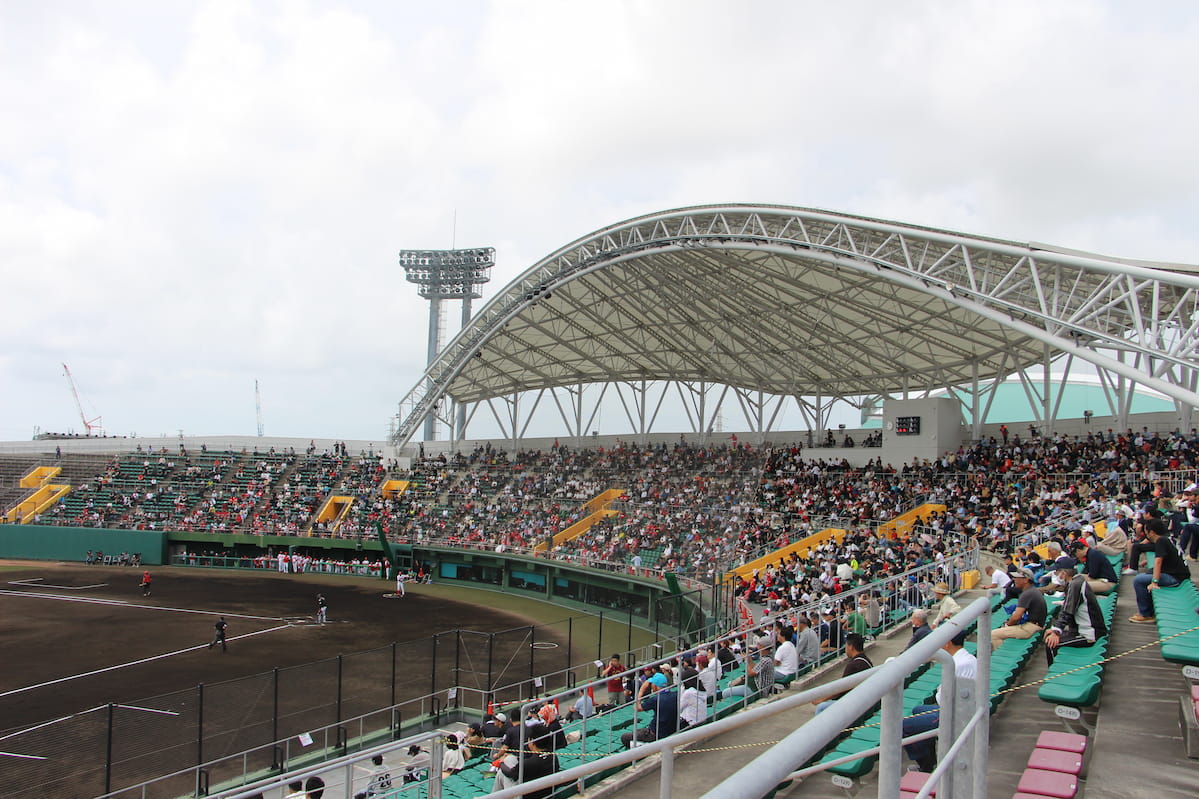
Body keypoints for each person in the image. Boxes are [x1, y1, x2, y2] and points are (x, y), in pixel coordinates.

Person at [902, 630, 977, 773]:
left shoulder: (957, 664)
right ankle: (930, 759)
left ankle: (926, 766)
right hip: (959, 708)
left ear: (947, 643)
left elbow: (943, 699)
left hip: (955, 714)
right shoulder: (967, 658)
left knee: (904, 726)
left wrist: (939, 692)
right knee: (917, 710)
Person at [1044, 556, 1107, 666]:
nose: (1055, 575)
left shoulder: (1075, 584)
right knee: (1050, 637)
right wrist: (1055, 629)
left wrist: (1056, 632)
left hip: (1089, 634)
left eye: (1056, 572)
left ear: (1063, 573)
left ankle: (1056, 673)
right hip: (1082, 630)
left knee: (1051, 645)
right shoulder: (1077, 581)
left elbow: (1067, 612)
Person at [1130, 518, 1192, 623]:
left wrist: (1154, 582)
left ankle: (1146, 614)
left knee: (1138, 580)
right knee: (1148, 573)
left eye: (1146, 531)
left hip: (1176, 578)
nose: (1146, 534)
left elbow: (1158, 561)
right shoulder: (1166, 538)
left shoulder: (1161, 541)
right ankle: (1149, 610)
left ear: (1152, 532)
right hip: (1176, 574)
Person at [813, 633, 873, 713]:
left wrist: (821, 700)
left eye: (846, 646)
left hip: (858, 703)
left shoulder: (854, 665)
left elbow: (842, 689)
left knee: (821, 707)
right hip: (866, 699)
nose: (845, 649)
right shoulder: (865, 660)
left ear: (851, 647)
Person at [991, 568, 1047, 650]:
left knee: (993, 634)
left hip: (1031, 628)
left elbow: (1016, 617)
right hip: (1035, 625)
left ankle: (1002, 654)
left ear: (1026, 580)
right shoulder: (1032, 591)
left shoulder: (1027, 593)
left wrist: (1007, 625)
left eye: (1017, 577)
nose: (1014, 579)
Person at [499, 723, 559, 799]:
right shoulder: (553, 757)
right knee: (507, 763)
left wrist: (501, 763)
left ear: (532, 741)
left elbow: (511, 774)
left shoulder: (529, 763)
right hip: (547, 793)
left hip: (528, 795)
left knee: (501, 773)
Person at [620, 675, 679, 747]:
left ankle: (643, 748)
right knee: (637, 731)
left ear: (655, 686)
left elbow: (636, 708)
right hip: (672, 729)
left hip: (656, 734)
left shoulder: (655, 699)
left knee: (625, 737)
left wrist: (641, 690)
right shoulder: (676, 694)